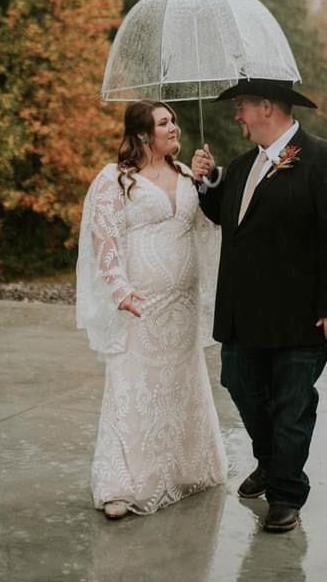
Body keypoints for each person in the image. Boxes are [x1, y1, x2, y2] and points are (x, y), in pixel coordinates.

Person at [192, 78, 327, 533]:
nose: (237, 116)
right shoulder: (243, 164)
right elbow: (230, 218)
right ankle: (271, 461)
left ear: (266, 106)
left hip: (302, 315)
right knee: (239, 383)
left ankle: (287, 492)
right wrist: (208, 183)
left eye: (242, 107)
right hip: (244, 312)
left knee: (291, 405)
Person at [75, 100, 227, 519]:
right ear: (143, 134)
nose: (174, 127)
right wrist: (119, 287)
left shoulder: (184, 174)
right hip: (141, 304)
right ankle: (121, 486)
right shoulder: (116, 179)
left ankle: (183, 470)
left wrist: (207, 180)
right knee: (133, 385)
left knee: (179, 385)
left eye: (174, 120)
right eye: (164, 123)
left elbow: (208, 225)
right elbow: (103, 238)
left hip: (182, 305)